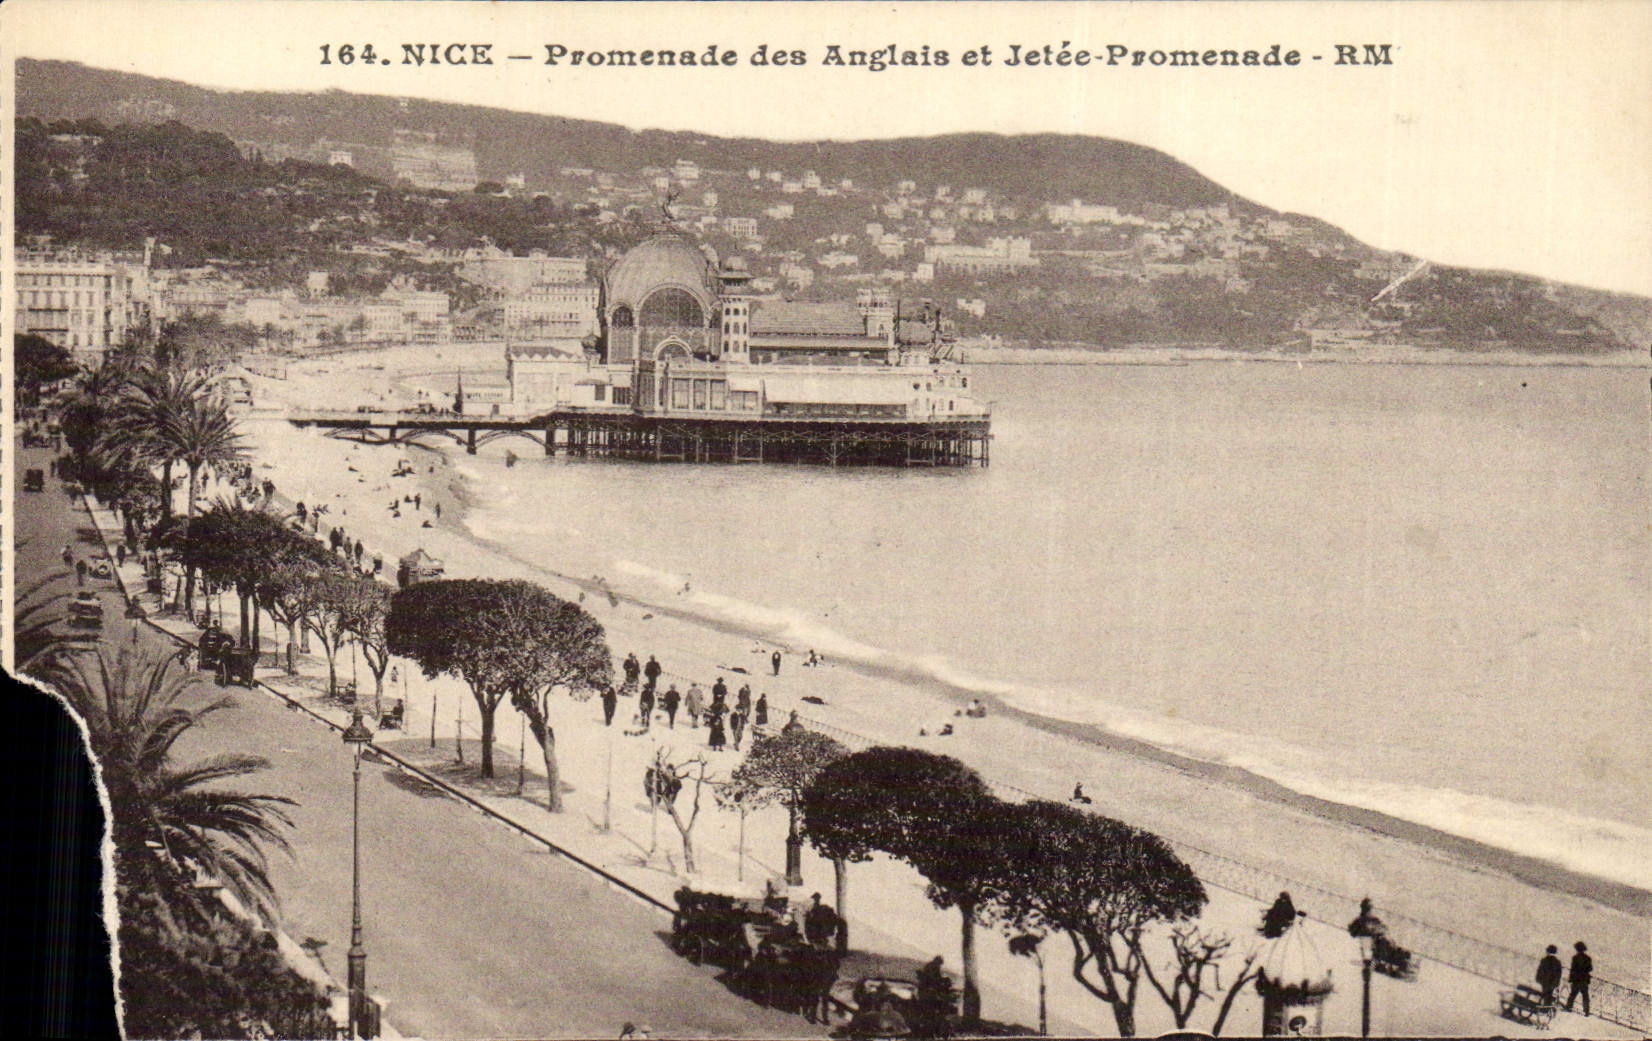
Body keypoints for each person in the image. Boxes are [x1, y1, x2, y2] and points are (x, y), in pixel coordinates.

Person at [1566, 941, 1592, 1016]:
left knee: (1573, 994)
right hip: (1584, 980)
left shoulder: (1575, 958)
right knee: (1585, 996)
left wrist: (1571, 979)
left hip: (1576, 980)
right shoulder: (1588, 958)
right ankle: (1586, 1011)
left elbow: (1572, 969)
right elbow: (1590, 969)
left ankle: (1568, 1007)